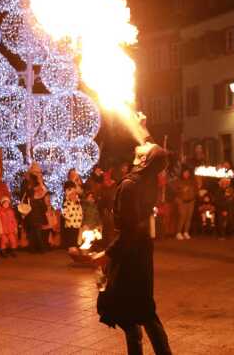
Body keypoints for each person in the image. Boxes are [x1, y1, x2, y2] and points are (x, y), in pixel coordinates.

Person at [94, 142, 172, 355]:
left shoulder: (131, 185)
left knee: (143, 312)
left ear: (144, 160)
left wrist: (107, 253)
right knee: (135, 313)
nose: (144, 142)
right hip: (139, 250)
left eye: (147, 146)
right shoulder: (148, 179)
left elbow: (128, 230)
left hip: (130, 254)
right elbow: (158, 158)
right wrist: (144, 128)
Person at [174, 168, 196, 240]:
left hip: (191, 201)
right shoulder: (178, 181)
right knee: (182, 216)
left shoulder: (191, 182)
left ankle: (186, 232)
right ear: (182, 173)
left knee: (188, 217)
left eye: (187, 173)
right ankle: (178, 232)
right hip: (182, 201)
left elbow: (195, 190)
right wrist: (182, 191)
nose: (186, 174)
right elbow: (175, 191)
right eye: (185, 173)